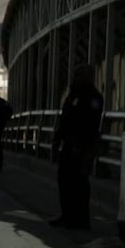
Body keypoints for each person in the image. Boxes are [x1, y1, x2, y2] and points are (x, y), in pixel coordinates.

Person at [50, 64, 104, 230]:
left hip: (83, 146)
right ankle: (67, 215)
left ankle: (81, 219)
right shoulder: (73, 95)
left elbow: (90, 124)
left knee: (79, 182)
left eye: (79, 75)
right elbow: (65, 118)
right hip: (69, 143)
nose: (76, 78)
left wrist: (80, 145)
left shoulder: (93, 97)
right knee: (65, 179)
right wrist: (58, 138)